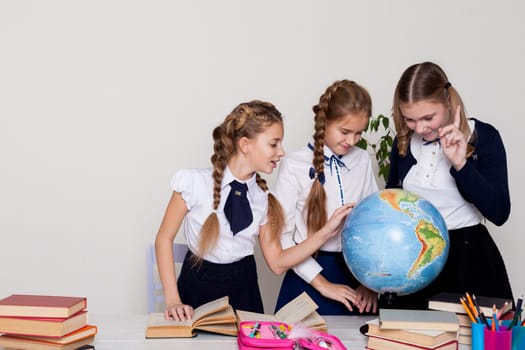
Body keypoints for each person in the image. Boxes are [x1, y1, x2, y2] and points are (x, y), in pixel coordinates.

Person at [155, 100, 354, 321]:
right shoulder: (192, 183)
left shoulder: (264, 200)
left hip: (244, 295)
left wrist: (325, 233)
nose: (281, 152)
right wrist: (173, 299)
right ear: (245, 145)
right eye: (274, 144)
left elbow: (277, 263)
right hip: (195, 291)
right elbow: (164, 238)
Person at [383, 61, 514, 309]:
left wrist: (461, 165)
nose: (420, 128)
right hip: (416, 263)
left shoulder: (484, 137)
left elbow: (499, 212)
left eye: (428, 117)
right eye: (410, 119)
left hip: (470, 263)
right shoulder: (402, 144)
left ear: (447, 102)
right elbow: (393, 208)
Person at [273, 80, 379, 315]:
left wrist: (370, 284)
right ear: (325, 122)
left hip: (357, 279)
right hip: (307, 277)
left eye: (359, 133)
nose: (351, 141)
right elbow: (283, 238)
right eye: (344, 131)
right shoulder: (294, 165)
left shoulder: (361, 160)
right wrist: (323, 285)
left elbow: (375, 225)